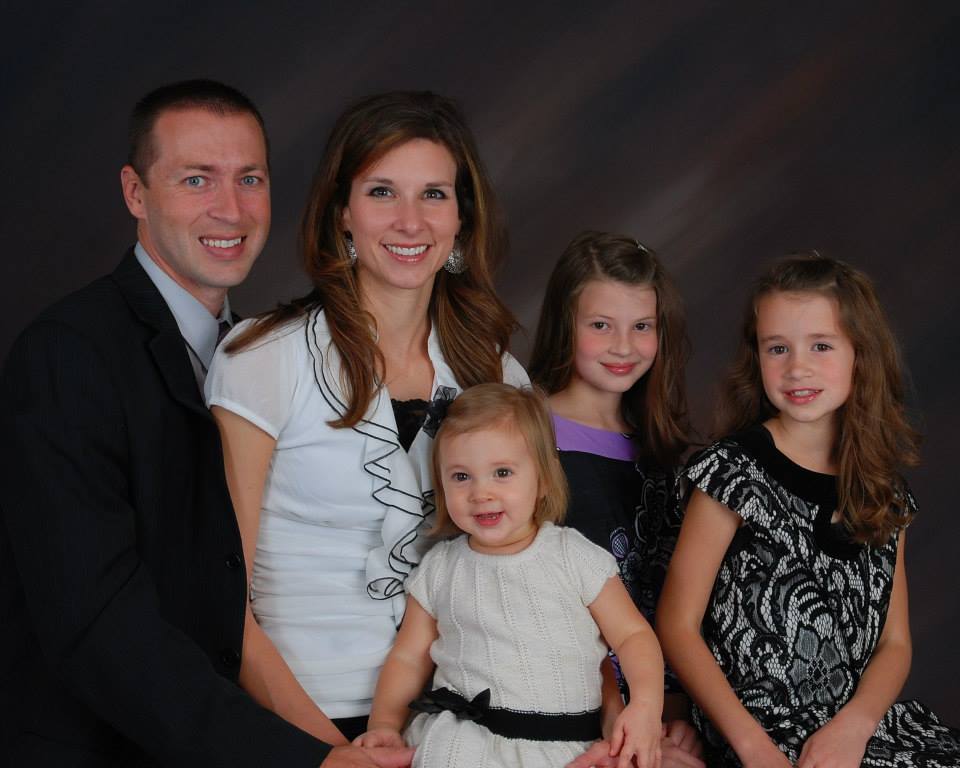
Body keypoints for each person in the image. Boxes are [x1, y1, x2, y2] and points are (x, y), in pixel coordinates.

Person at [0, 79, 411, 767]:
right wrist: (304, 757)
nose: (231, 208)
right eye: (197, 179)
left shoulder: (264, 355)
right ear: (136, 193)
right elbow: (97, 621)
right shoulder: (67, 355)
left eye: (250, 179)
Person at [205, 91, 528, 746]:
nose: (410, 221)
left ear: (461, 219)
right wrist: (328, 754)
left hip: (463, 724)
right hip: (300, 723)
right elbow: (218, 600)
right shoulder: (261, 358)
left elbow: (532, 573)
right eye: (383, 192)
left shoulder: (499, 377)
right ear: (342, 214)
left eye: (433, 194)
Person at [656, 253, 960, 767]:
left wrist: (854, 729)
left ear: (860, 354)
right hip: (759, 732)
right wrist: (753, 748)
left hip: (858, 728)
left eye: (821, 345)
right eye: (778, 348)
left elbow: (894, 643)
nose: (797, 367)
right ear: (757, 357)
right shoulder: (732, 473)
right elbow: (677, 624)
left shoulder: (883, 492)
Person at [354, 383, 664, 768]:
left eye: (502, 472)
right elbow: (408, 657)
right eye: (461, 477)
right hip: (460, 745)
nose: (481, 493)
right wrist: (385, 723)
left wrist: (646, 706)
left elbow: (633, 636)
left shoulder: (574, 556)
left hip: (563, 747)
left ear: (543, 479)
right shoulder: (440, 567)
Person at [529, 231, 703, 768]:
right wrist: (618, 713)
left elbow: (669, 600)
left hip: (656, 707)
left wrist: (674, 711)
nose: (624, 346)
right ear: (565, 324)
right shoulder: (527, 434)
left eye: (642, 326)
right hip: (567, 702)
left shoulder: (661, 450)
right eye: (601, 325)